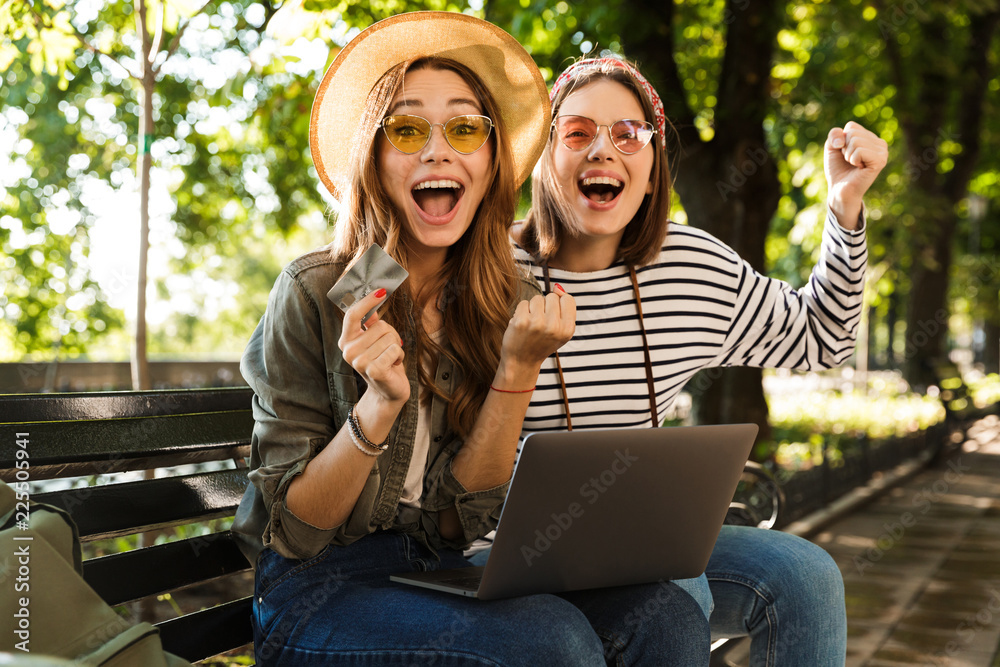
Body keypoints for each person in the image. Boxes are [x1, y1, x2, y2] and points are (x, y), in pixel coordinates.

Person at [233, 15, 709, 666]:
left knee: (669, 617)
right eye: (407, 129)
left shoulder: (496, 299)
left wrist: (516, 368)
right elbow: (296, 531)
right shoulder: (317, 291)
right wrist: (376, 409)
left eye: (464, 128)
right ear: (374, 156)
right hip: (314, 591)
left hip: (436, 569)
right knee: (551, 641)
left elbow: (460, 522)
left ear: (489, 163)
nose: (438, 151)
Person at [501, 55, 888, 666]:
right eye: (577, 133)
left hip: (639, 542)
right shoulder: (489, 273)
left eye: (628, 135)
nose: (604, 150)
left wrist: (843, 208)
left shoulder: (688, 267)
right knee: (670, 593)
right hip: (503, 552)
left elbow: (824, 338)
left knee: (806, 577)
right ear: (544, 160)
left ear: (652, 172)